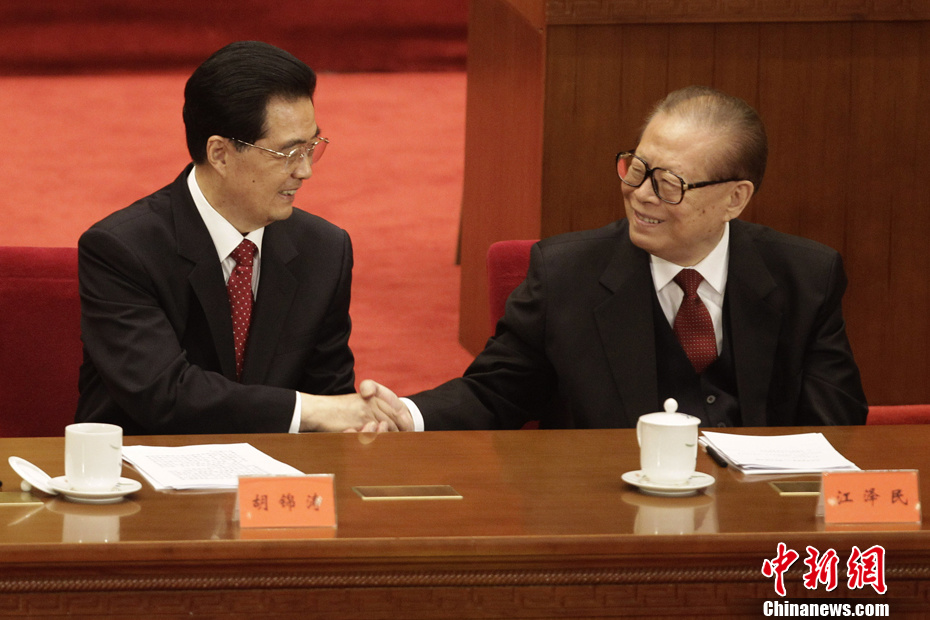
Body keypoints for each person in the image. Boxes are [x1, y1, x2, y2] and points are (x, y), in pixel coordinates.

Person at [374, 85, 868, 430]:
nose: (641, 194)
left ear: (735, 199)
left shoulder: (807, 277)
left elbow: (838, 423)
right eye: (636, 168)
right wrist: (406, 416)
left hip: (756, 517)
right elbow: (495, 392)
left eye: (669, 183)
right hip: (612, 511)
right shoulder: (565, 275)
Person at [76, 41, 401, 435]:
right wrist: (309, 411)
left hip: (275, 470)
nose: (305, 171)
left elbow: (331, 398)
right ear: (220, 154)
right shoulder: (122, 250)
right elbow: (163, 394)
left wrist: (357, 422)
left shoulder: (324, 250)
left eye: (311, 148)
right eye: (288, 154)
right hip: (145, 465)